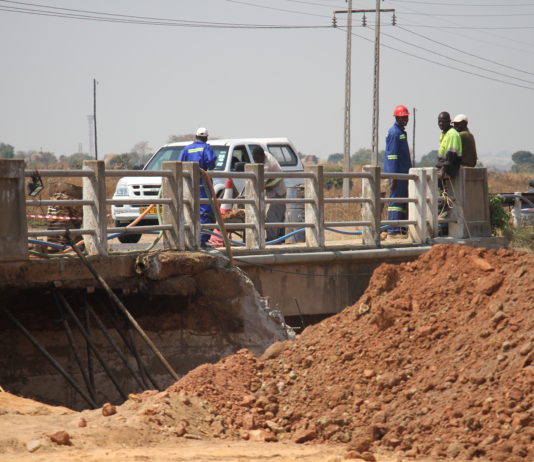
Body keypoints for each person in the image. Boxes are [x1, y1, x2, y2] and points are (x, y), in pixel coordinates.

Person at [179, 127, 217, 248]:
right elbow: (211, 162)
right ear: (206, 137)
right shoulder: (206, 147)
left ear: (196, 136)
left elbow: (179, 164)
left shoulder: (186, 149)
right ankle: (201, 240)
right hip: (202, 185)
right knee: (205, 213)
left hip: (188, 185)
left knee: (188, 211)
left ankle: (188, 239)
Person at [384, 105, 412, 236]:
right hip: (398, 174)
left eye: (406, 117)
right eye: (402, 117)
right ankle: (394, 229)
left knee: (403, 200)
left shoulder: (400, 132)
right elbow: (392, 156)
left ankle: (401, 228)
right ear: (397, 117)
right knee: (395, 201)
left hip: (403, 173)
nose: (405, 119)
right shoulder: (394, 132)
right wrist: (393, 176)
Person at [251, 146, 287, 243]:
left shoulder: (267, 165)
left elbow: (260, 184)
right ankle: (277, 239)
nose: (256, 161)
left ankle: (273, 240)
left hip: (277, 191)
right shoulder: (265, 155)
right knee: (276, 216)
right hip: (271, 190)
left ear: (262, 156)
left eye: (257, 159)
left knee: (272, 216)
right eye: (254, 159)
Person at [437, 112, 462, 178]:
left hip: (449, 171)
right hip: (443, 168)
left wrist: (443, 170)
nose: (441, 124)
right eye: (439, 121)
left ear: (449, 122)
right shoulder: (445, 134)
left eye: (443, 121)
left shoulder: (452, 134)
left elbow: (451, 156)